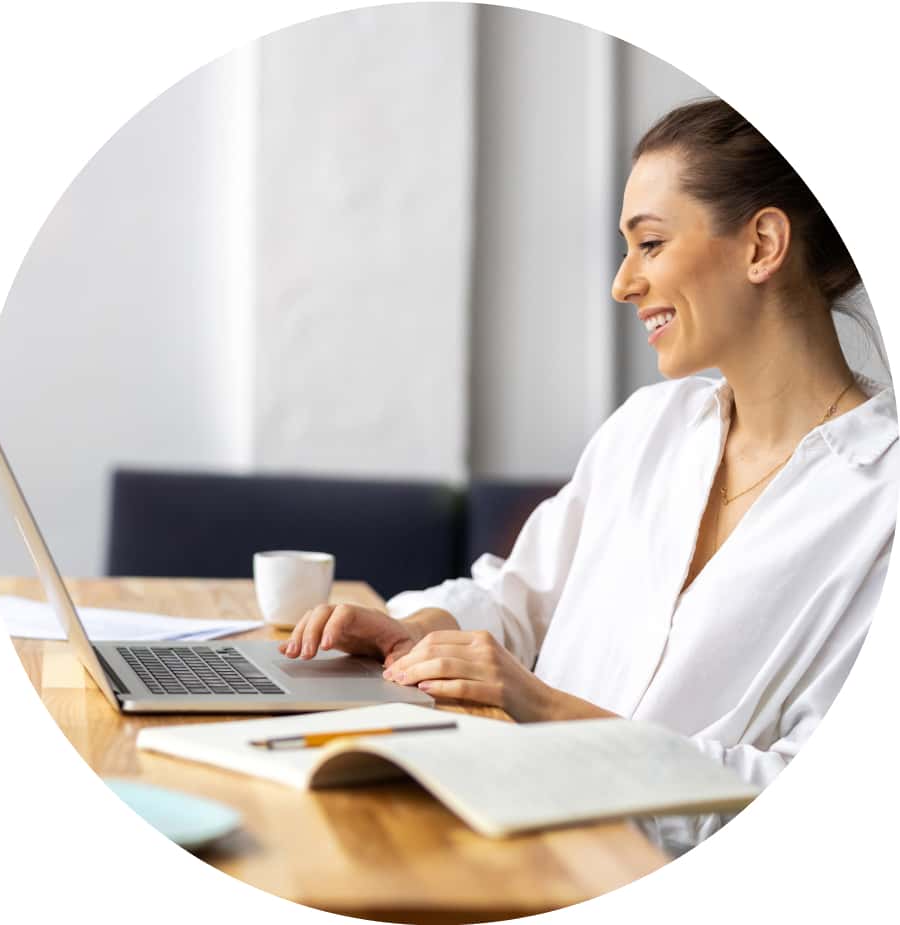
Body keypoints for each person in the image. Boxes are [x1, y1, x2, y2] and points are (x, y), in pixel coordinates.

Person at [281, 98, 898, 853]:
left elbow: (807, 805)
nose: (623, 283)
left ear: (763, 244)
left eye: (650, 243)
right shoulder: (649, 428)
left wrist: (541, 704)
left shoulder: (880, 504)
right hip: (509, 834)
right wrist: (416, 630)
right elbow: (516, 597)